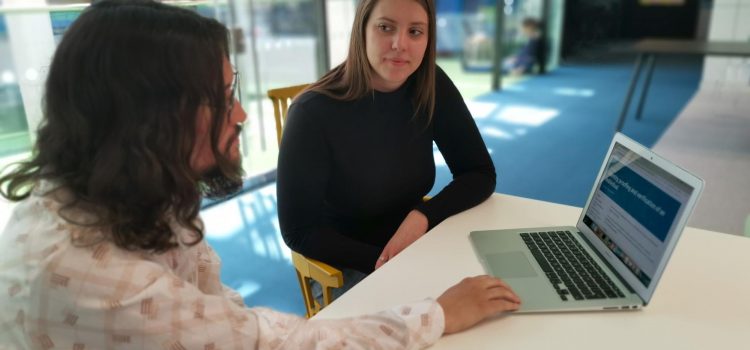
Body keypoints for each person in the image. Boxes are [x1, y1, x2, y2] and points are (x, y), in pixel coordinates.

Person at [0, 1, 521, 349]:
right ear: (147, 117)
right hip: (357, 271)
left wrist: (421, 219)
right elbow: (264, 340)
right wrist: (435, 314)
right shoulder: (102, 279)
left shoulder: (137, 197)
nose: (243, 116)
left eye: (416, 32)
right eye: (223, 98)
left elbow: (221, 308)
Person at [277, 0, 497, 298]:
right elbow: (299, 231)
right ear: (362, 31)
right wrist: (388, 262)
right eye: (385, 27)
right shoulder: (311, 113)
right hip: (347, 264)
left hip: (416, 243)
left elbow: (479, 172)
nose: (400, 44)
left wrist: (423, 215)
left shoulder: (430, 83)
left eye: (415, 32)